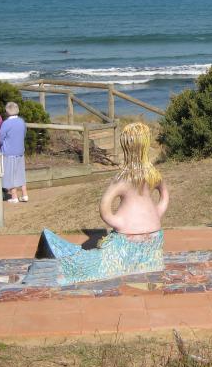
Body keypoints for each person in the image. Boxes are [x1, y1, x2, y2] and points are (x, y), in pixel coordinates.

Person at [33, 122, 170, 285]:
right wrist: (157, 214)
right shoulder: (154, 174)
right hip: (153, 232)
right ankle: (145, 264)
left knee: (94, 263)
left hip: (127, 234)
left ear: (126, 147)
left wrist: (119, 222)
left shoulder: (123, 178)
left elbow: (104, 208)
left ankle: (61, 262)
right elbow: (164, 196)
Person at [0, 101, 28, 203]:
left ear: (7, 111)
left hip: (9, 152)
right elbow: (24, 134)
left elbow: (0, 138)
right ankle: (24, 194)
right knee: (20, 173)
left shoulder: (6, 123)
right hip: (20, 150)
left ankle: (14, 196)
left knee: (9, 174)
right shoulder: (22, 121)